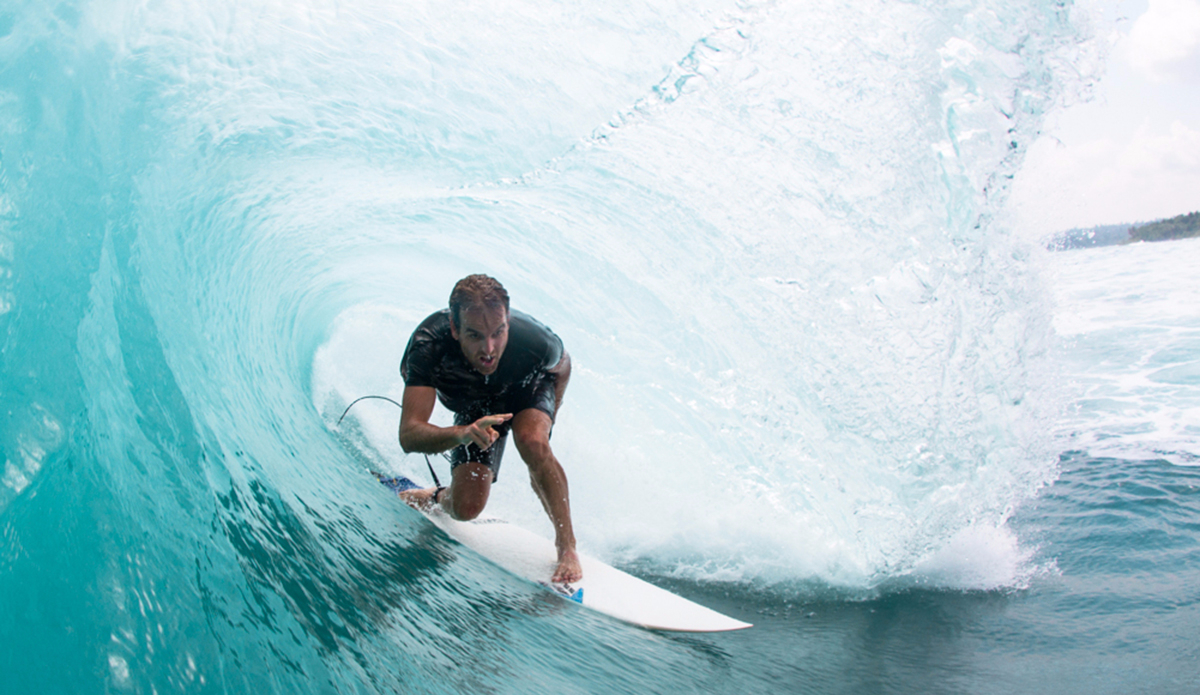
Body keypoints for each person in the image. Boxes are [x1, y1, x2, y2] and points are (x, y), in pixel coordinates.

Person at [396, 274, 581, 583]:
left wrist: (549, 422)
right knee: (466, 509)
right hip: (475, 407)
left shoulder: (536, 341)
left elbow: (562, 368)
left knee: (533, 442)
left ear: (507, 320)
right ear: (455, 329)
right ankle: (436, 496)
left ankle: (567, 546)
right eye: (475, 335)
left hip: (526, 388)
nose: (490, 348)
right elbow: (409, 434)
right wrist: (464, 433)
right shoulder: (428, 346)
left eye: (499, 332)